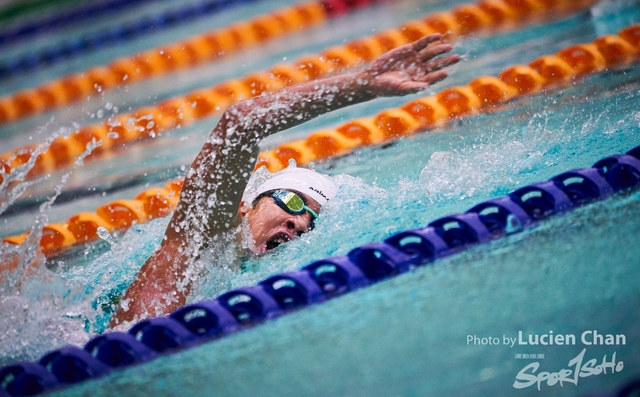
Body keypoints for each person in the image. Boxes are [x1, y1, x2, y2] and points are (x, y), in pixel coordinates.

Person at [109, 33, 459, 326]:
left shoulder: (242, 280)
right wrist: (361, 86)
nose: (297, 223)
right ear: (246, 206)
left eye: (310, 223)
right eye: (292, 203)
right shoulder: (200, 241)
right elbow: (241, 122)